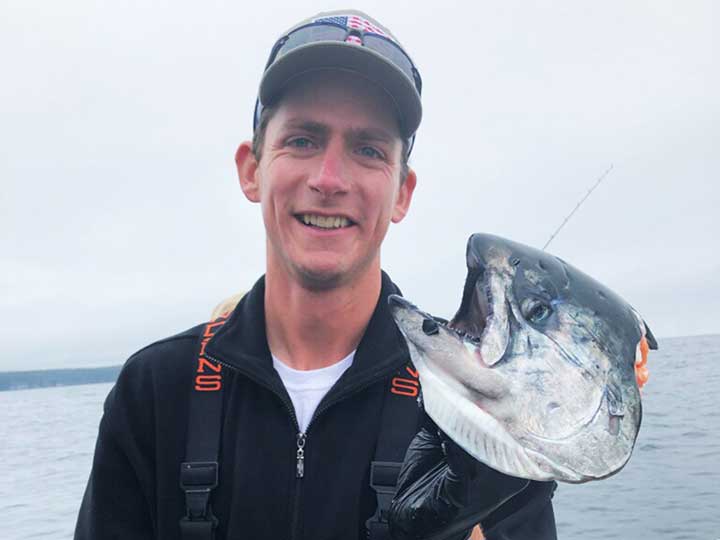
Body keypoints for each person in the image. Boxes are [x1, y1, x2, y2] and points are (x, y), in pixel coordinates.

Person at [75, 9, 557, 540]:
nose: (330, 179)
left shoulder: (487, 414)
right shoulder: (154, 394)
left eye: (368, 149)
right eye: (303, 140)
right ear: (252, 168)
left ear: (402, 192)